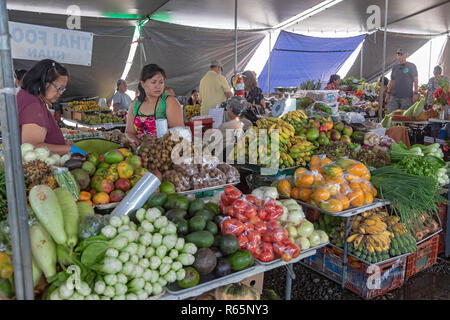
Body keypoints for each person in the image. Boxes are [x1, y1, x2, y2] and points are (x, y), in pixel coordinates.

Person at [17, 59, 85, 155]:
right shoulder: (33, 106)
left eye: (63, 89)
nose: (60, 93)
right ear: (43, 82)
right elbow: (33, 146)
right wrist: (69, 149)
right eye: (59, 88)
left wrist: (63, 144)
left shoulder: (30, 97)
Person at [125, 63, 184, 149]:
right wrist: (137, 143)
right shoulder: (135, 105)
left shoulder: (169, 102)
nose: (158, 86)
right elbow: (129, 132)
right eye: (153, 82)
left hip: (166, 154)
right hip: (143, 155)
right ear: (143, 84)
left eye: (161, 82)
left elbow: (179, 133)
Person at [385, 49, 419, 113]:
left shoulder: (411, 66)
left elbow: (416, 80)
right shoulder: (394, 67)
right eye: (398, 54)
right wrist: (388, 93)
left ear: (406, 55)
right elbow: (392, 81)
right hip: (394, 96)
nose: (399, 56)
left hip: (406, 97)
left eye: (401, 54)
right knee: (390, 116)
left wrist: (416, 93)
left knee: (404, 118)